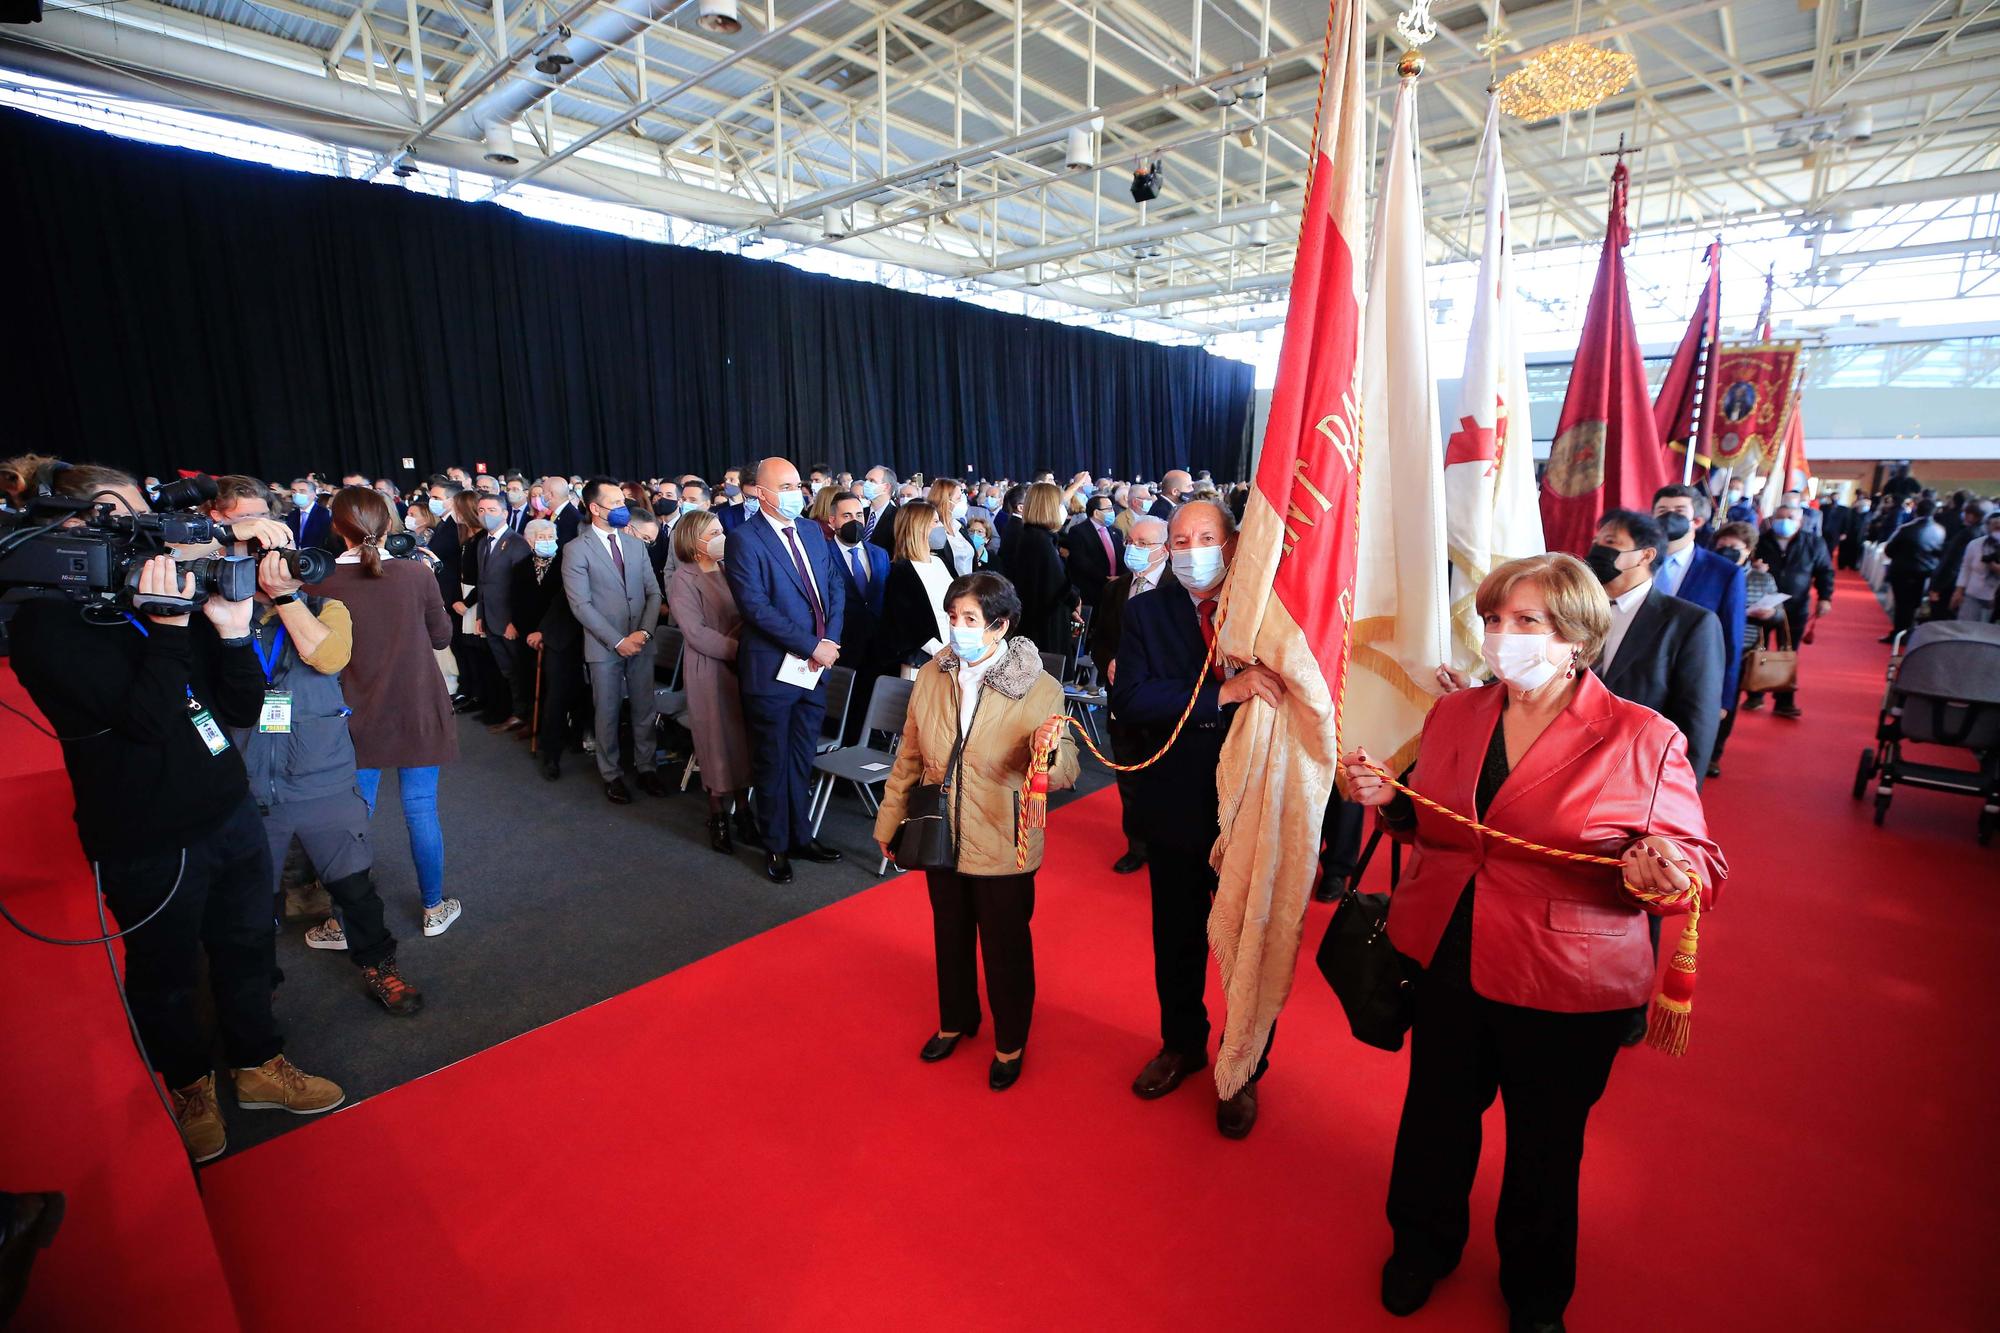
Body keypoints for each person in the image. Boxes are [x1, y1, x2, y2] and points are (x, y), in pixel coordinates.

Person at [1340, 552, 1725, 1333]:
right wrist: (1391, 802)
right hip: (1448, 950)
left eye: (1526, 622)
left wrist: (1662, 873)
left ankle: (1536, 1291)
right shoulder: (1457, 715)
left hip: (1564, 976)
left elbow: (1700, 866)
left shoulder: (1641, 736)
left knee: (1546, 1146)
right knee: (1436, 1115)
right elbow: (1443, 827)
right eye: (1493, 620)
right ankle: (1422, 1243)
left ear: (1577, 636)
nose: (1501, 636)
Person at [11, 464, 348, 1162]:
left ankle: (258, 1063)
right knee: (166, 975)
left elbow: (241, 708)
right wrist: (168, 626)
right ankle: (190, 1084)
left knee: (249, 944)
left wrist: (226, 635)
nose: (152, 533)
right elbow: (145, 722)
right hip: (146, 835)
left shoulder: (164, 595)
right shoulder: (47, 624)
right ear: (73, 527)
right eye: (129, 516)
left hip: (228, 811)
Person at [198, 475, 422, 1012]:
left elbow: (327, 659)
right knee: (248, 906)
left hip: (322, 778)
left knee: (355, 890)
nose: (256, 547)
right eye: (241, 532)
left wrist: (286, 595)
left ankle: (380, 968)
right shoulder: (201, 615)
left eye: (264, 533)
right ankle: (256, 999)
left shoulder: (325, 608)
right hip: (242, 786)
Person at [1111, 499, 1287, 1139]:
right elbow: (1130, 697)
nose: (1191, 551)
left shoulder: (1267, 610)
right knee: (1177, 939)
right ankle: (1182, 1044)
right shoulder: (1145, 611)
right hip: (1178, 803)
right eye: (1180, 540)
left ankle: (1243, 1069)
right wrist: (1221, 694)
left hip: (1252, 802)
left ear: (1232, 543)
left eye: (1205, 538)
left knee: (1247, 945)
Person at [873, 572, 1078, 1092]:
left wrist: (1045, 760)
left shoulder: (1038, 684)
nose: (957, 629)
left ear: (999, 625)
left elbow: (1066, 764)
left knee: (1006, 946)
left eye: (969, 619)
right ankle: (957, 1018)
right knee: (950, 931)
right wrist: (889, 819)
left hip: (1003, 835)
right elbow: (910, 756)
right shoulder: (932, 676)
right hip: (938, 825)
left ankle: (1011, 1040)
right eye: (953, 617)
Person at [310, 487, 463, 938]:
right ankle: (434, 908)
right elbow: (441, 637)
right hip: (416, 704)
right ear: (390, 523)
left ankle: (341, 924)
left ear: (337, 527)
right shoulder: (417, 575)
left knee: (355, 817)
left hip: (352, 713)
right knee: (421, 809)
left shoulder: (317, 583)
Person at [723, 456, 848, 883]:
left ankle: (801, 836)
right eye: (789, 485)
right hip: (773, 671)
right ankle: (775, 845)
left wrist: (827, 644)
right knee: (772, 761)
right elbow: (755, 608)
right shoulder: (745, 539)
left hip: (815, 669)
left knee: (801, 757)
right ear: (760, 492)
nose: (799, 492)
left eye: (799, 485)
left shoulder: (812, 530)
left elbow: (833, 585)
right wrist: (811, 645)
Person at [1583, 509, 1724, 782]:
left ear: (1646, 555)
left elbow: (1697, 719)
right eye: (1596, 542)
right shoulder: (1577, 609)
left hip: (1636, 767)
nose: (1598, 549)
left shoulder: (1690, 623)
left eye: (1610, 543)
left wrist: (1680, 794)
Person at [562, 477, 668, 805]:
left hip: (641, 640)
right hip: (604, 645)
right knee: (606, 710)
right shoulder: (576, 549)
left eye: (623, 502)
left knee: (643, 707)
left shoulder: (635, 544)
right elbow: (581, 605)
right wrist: (618, 641)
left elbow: (653, 592)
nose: (624, 509)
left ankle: (646, 766)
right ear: (594, 508)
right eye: (616, 504)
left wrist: (644, 633)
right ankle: (611, 773)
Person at [668, 510, 757, 852]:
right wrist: (739, 648)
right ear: (695, 540)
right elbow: (695, 633)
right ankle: (718, 815)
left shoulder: (727, 569)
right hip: (710, 668)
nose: (723, 536)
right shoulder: (684, 578)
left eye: (722, 529)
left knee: (742, 741)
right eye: (715, 532)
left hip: (740, 666)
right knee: (716, 743)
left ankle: (744, 812)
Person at [1087, 514, 1168, 874]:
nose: (1133, 549)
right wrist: (1108, 663)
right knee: (1128, 772)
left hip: (1163, 699)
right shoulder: (1115, 589)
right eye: (1130, 542)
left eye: (1143, 544)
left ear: (1164, 548)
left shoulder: (1178, 586)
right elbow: (1098, 641)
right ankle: (1137, 844)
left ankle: (1169, 842)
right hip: (1122, 699)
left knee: (1166, 776)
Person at [510, 518, 584, 781]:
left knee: (577, 692)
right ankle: (550, 753)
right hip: (554, 635)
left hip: (580, 635)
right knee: (555, 695)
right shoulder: (524, 567)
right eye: (540, 537)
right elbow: (561, 602)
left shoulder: (566, 559)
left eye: (549, 536)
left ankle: (577, 738)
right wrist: (543, 631)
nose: (546, 541)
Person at [1748, 502, 1834, 717]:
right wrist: (1755, 569)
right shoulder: (1760, 541)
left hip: (1796, 606)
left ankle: (1784, 700)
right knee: (1759, 649)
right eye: (1781, 517)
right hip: (1763, 605)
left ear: (1800, 521)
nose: (1785, 521)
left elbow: (1825, 571)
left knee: (1789, 652)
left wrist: (1825, 598)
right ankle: (1755, 694)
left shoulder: (1813, 542)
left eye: (1791, 517)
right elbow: (1743, 566)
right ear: (1773, 519)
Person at [827, 490, 891, 743]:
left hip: (875, 649)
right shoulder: (821, 554)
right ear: (832, 521)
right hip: (841, 648)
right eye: (846, 515)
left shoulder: (879, 553)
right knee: (841, 714)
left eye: (859, 515)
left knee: (869, 711)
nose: (854, 521)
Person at [468, 493, 533, 733]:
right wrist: (480, 616)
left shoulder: (516, 542)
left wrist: (514, 621)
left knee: (518, 670)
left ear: (505, 513)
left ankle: (525, 715)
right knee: (506, 670)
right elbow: (482, 583)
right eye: (482, 510)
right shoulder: (483, 542)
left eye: (492, 510)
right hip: (491, 619)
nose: (486, 515)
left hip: (509, 621)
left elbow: (521, 588)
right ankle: (516, 712)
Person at [1004, 482, 1079, 658]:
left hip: (1039, 622)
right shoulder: (1039, 539)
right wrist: (1074, 598)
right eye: (1059, 505)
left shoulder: (1037, 535)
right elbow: (1056, 585)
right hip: (1043, 627)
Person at [880, 500, 955, 669]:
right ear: (919, 527)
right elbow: (908, 623)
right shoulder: (901, 571)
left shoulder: (940, 562)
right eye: (935, 522)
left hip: (953, 650)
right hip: (924, 660)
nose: (941, 527)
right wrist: (942, 652)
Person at [1063, 491, 1125, 608]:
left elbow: (1121, 557)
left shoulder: (1116, 532)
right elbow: (1081, 562)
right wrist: (1106, 579)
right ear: (1096, 513)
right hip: (1093, 590)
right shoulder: (1078, 531)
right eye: (1109, 509)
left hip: (1116, 588)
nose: (1113, 512)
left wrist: (1121, 578)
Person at [1950, 507, 2000, 622]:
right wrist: (1958, 591)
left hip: (1995, 601)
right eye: (1994, 525)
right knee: (1965, 629)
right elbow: (1966, 568)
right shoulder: (1975, 544)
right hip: (1972, 596)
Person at [927, 478, 975, 576]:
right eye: (958, 499)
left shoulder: (959, 526)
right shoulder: (933, 530)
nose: (962, 502)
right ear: (945, 501)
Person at [861, 465, 901, 551]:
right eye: (866, 480)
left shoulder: (899, 517)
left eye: (872, 481)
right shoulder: (861, 513)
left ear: (886, 487)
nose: (866, 484)